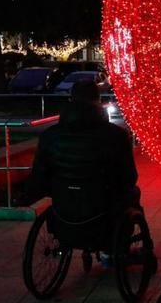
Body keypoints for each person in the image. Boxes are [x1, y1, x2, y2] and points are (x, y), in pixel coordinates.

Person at [28, 80, 152, 254]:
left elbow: (40, 175)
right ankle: (119, 248)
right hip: (103, 205)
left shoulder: (50, 136)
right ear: (98, 100)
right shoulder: (116, 135)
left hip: (64, 204)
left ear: (71, 99)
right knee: (133, 193)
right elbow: (129, 177)